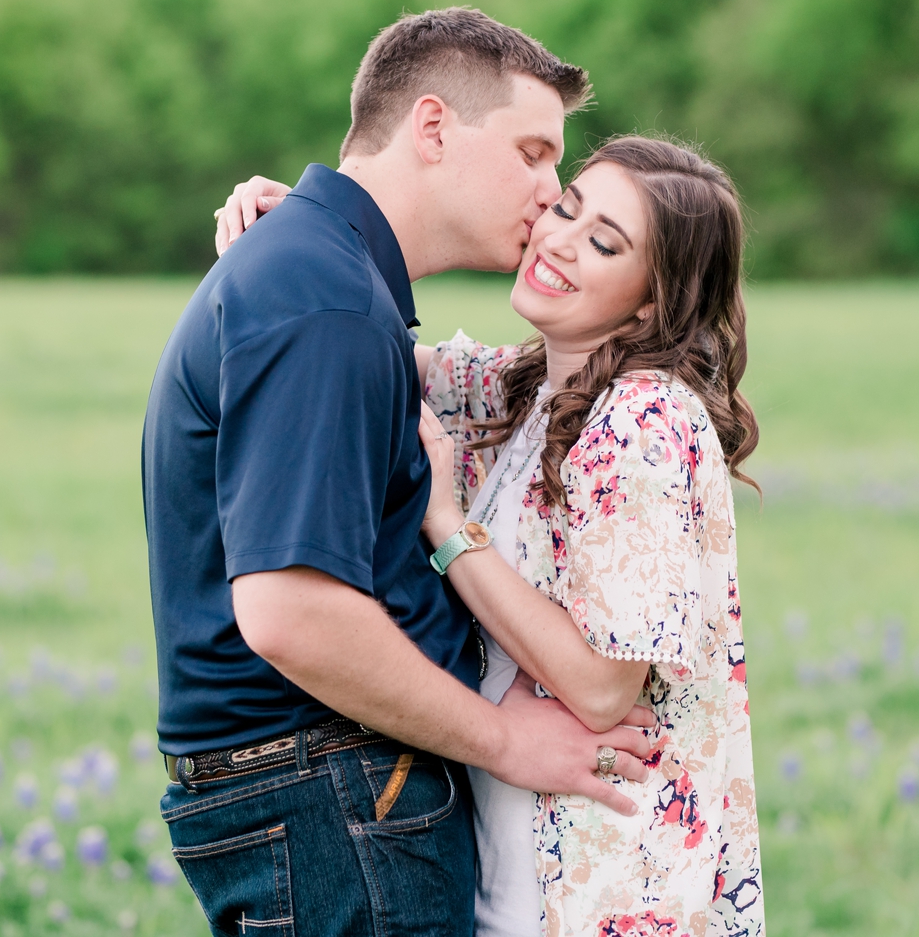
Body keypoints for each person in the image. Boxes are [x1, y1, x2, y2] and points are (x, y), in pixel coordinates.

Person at [143, 8, 654, 937]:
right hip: (331, 785)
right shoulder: (324, 298)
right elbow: (291, 611)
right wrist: (506, 742)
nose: (551, 189)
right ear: (431, 128)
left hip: (319, 787)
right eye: (534, 152)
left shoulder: (323, 279)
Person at [217, 135, 765, 936]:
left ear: (652, 301)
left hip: (606, 882)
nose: (559, 240)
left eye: (604, 243)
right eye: (568, 209)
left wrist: (449, 526)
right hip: (521, 854)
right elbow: (362, 346)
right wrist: (301, 230)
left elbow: (606, 683)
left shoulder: (641, 421)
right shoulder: (531, 383)